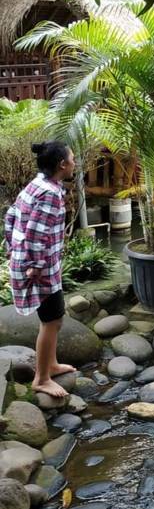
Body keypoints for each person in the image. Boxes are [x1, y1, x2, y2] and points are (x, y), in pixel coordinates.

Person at [3, 142, 76, 398]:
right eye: (72, 159)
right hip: (39, 267)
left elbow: (11, 215)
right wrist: (34, 264)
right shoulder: (50, 193)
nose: (74, 163)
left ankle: (52, 365)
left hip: (37, 262)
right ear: (62, 165)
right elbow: (36, 232)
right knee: (52, 320)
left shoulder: (38, 184)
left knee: (53, 318)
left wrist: (11, 247)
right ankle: (42, 379)